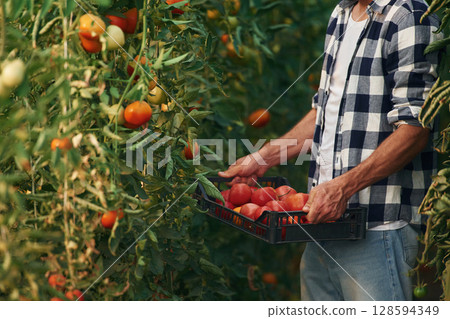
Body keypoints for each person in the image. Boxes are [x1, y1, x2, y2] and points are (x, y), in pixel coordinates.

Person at [219, 0, 441, 301]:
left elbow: (416, 128)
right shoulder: (341, 14)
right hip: (322, 224)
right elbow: (322, 113)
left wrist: (343, 188)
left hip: (379, 228)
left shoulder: (408, 16)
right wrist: (262, 157)